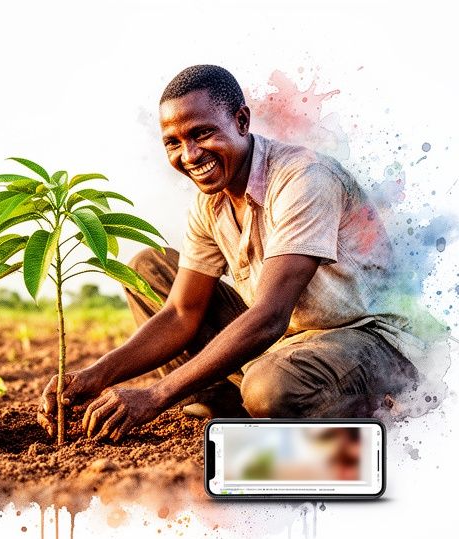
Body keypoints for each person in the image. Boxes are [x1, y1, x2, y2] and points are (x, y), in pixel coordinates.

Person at [37, 64, 427, 442]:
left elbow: (270, 317)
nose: (189, 155)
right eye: (173, 142)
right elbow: (180, 313)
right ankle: (220, 402)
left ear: (241, 121)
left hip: (367, 339)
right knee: (150, 267)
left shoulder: (303, 178)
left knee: (269, 388)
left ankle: (376, 411)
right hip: (289, 342)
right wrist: (94, 376)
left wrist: (156, 395)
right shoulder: (211, 203)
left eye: (202, 133)